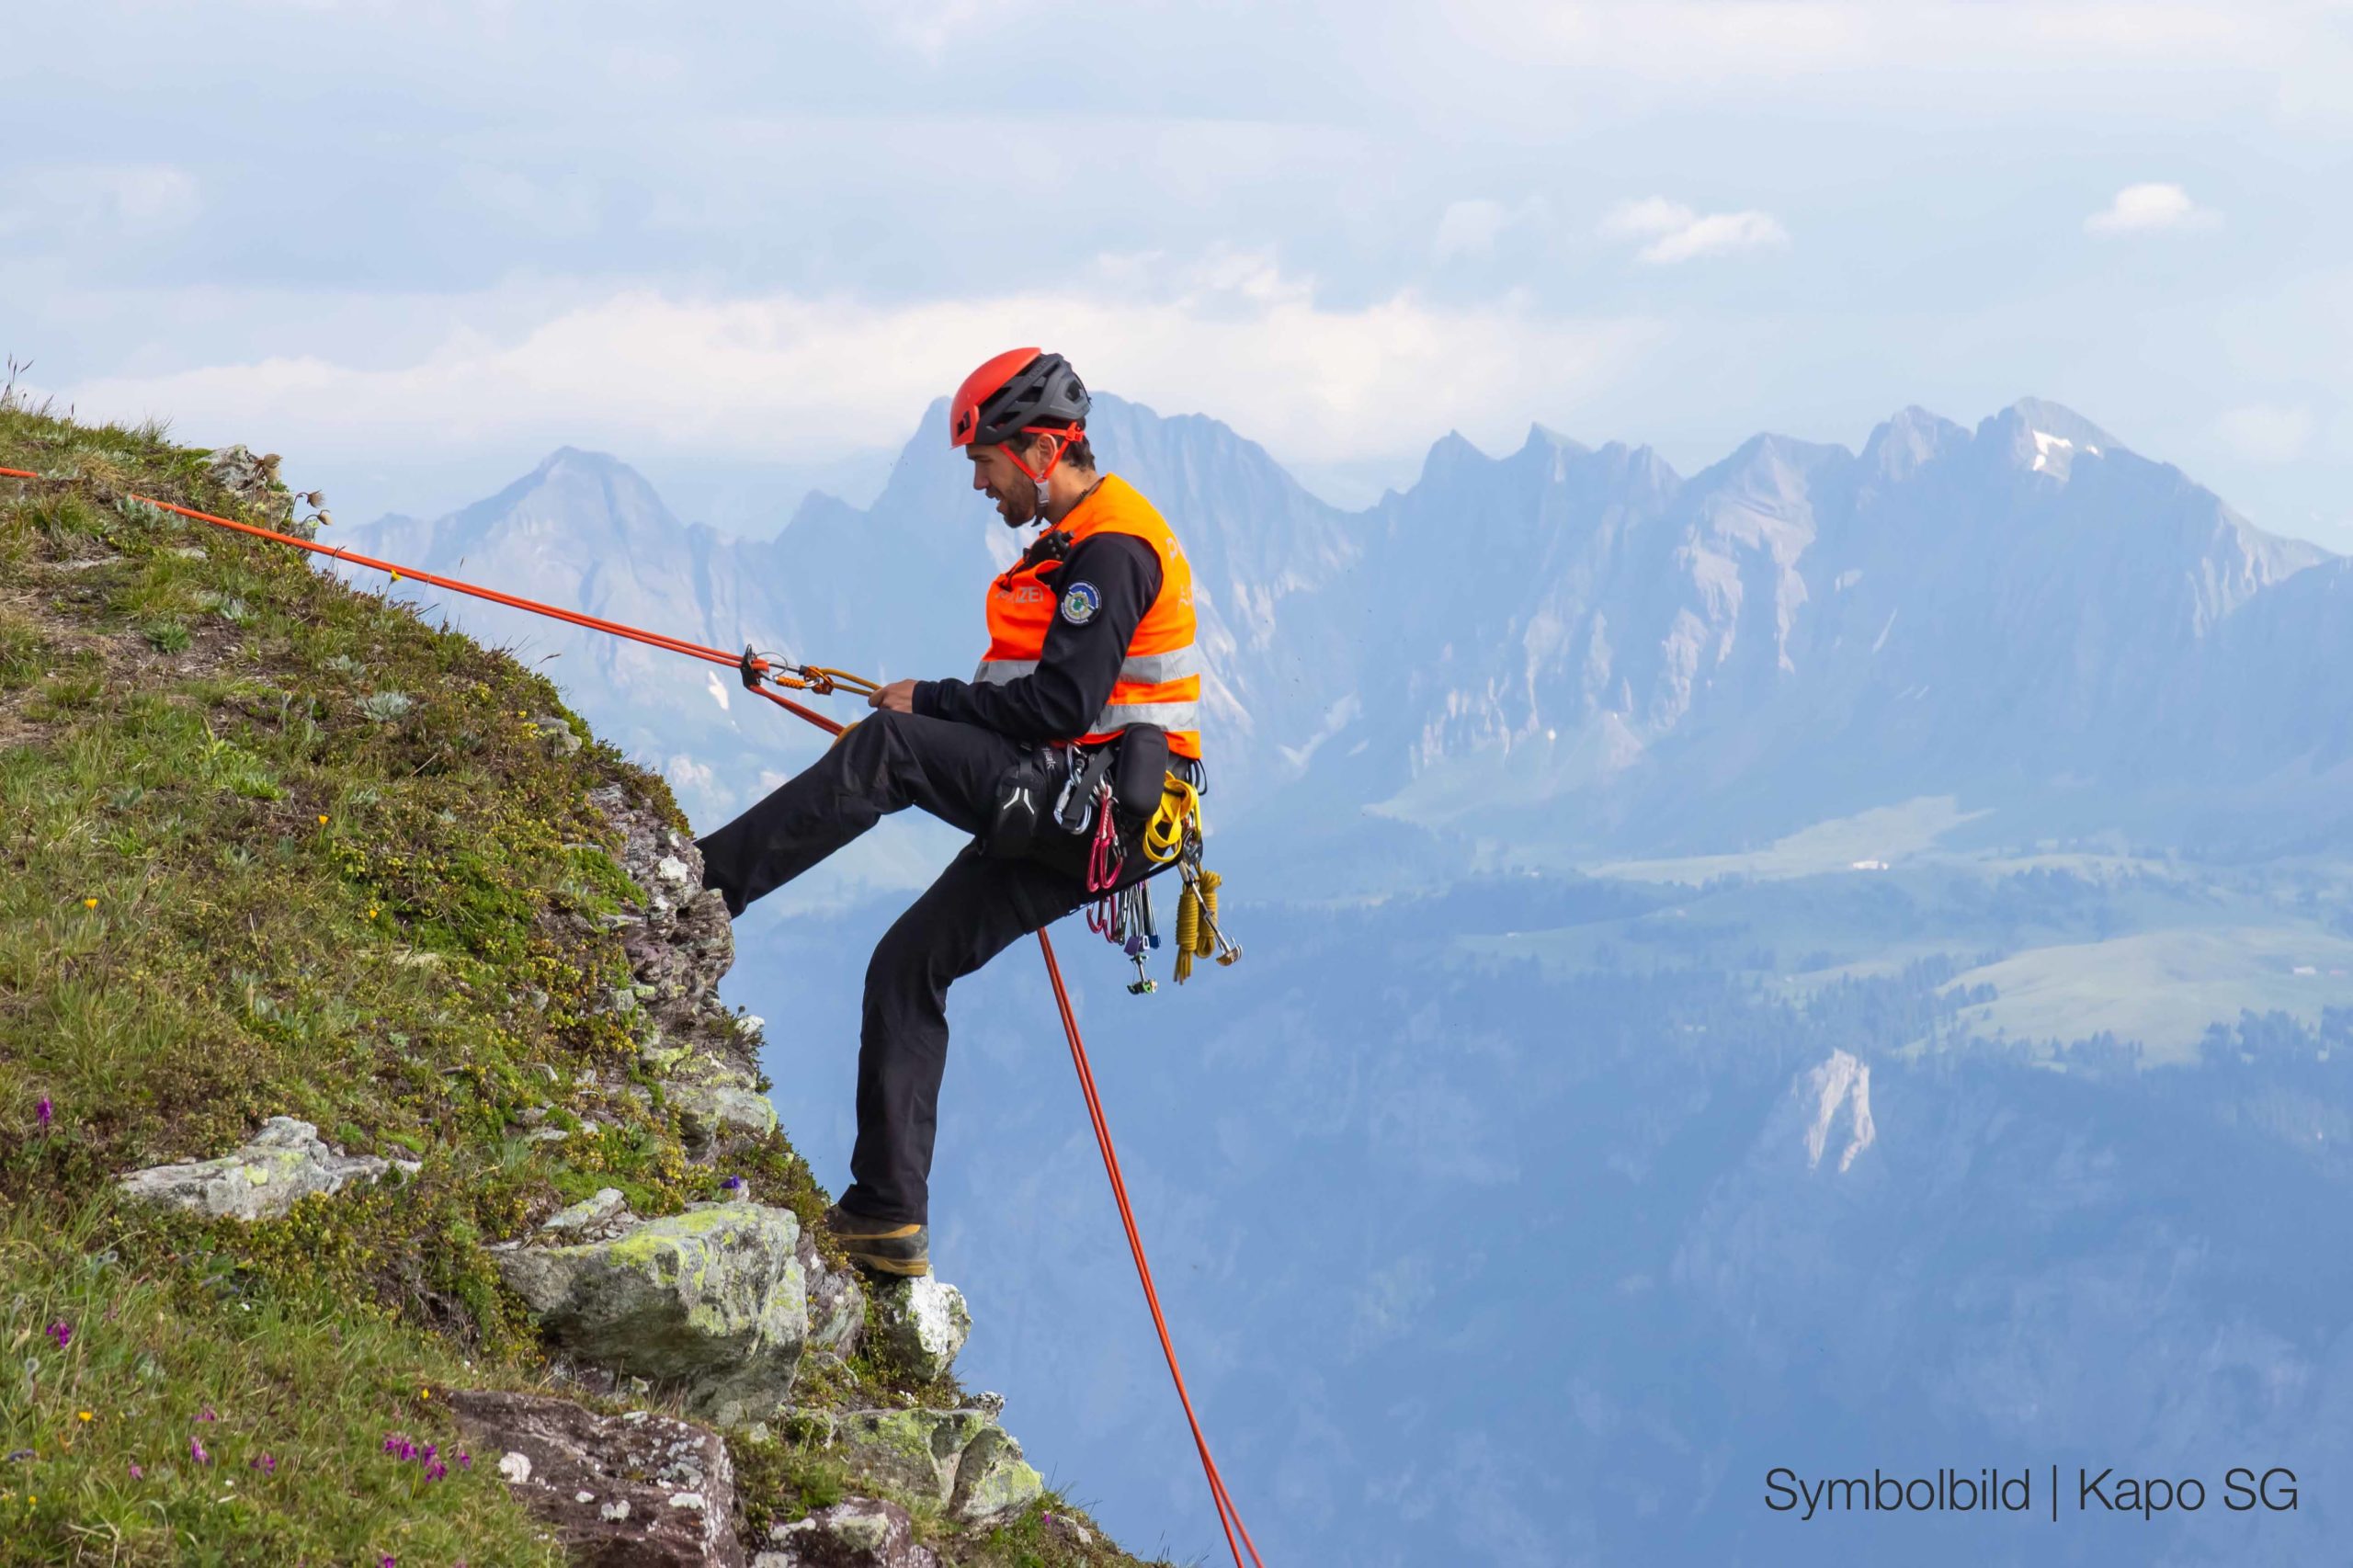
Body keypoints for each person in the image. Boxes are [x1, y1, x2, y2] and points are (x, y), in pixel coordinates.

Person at [694, 348, 1202, 1277]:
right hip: (1090, 809)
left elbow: (1061, 705)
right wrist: (942, 713)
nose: (978, 482)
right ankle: (886, 1217)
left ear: (1043, 450)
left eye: (986, 460)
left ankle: (696, 891)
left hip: (1092, 807)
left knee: (887, 749)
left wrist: (927, 703)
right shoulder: (1078, 540)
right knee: (907, 965)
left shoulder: (1112, 549)